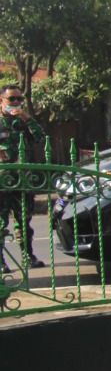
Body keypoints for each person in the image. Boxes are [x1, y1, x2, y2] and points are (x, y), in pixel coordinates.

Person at [0, 84, 47, 270]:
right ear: (2, 101)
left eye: (19, 99)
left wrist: (27, 118)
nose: (17, 102)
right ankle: (1, 261)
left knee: (24, 221)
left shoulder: (23, 122)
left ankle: (28, 257)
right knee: (1, 222)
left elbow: (42, 138)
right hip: (2, 182)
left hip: (22, 180)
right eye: (12, 99)